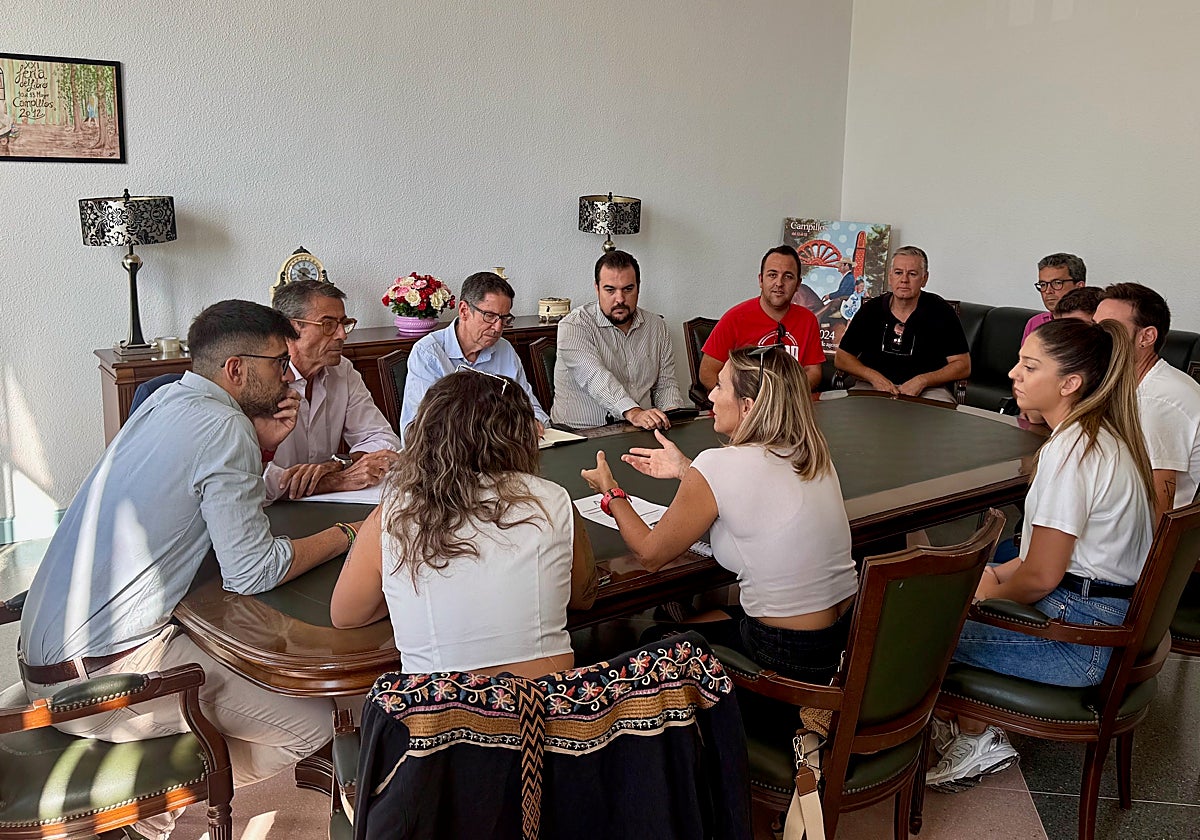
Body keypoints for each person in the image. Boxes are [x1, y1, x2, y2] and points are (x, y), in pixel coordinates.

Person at [18, 300, 354, 839]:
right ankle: (146, 814)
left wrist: (262, 446)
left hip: (43, 655)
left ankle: (148, 809)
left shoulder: (166, 398)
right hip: (99, 681)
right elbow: (252, 570)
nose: (288, 376)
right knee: (314, 722)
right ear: (236, 369)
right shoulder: (225, 426)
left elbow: (208, 506)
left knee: (230, 652)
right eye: (277, 363)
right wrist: (346, 535)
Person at [927, 319, 1155, 790]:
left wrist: (985, 596)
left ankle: (973, 737)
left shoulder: (1072, 452)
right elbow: (1052, 559)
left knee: (916, 629)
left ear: (1070, 384)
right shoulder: (1103, 436)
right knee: (958, 588)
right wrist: (993, 578)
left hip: (1079, 640)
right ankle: (962, 724)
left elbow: (1042, 577)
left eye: (1030, 367)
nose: (1014, 373)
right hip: (1098, 616)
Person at [580, 346, 858, 682]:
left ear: (748, 406)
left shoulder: (719, 463)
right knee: (707, 616)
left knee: (653, 640)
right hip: (844, 637)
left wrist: (611, 492)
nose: (710, 395)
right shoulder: (811, 454)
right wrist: (686, 469)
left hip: (785, 652)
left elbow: (650, 555)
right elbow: (752, 490)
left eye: (721, 386)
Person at [331, 370, 598, 677]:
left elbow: (346, 615)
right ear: (521, 436)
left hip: (437, 703)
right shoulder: (553, 500)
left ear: (425, 435)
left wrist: (401, 595)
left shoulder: (393, 514)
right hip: (545, 698)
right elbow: (584, 598)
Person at [267, 279, 400, 500]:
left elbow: (382, 438)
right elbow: (251, 478)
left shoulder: (342, 370)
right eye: (328, 324)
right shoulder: (259, 380)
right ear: (289, 328)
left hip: (327, 503)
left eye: (344, 323)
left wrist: (339, 464)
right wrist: (335, 481)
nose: (342, 335)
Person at [400, 271, 549, 443]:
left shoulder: (504, 349)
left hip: (502, 449)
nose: (498, 327)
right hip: (450, 454)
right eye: (490, 316)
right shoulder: (428, 353)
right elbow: (421, 429)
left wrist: (534, 421)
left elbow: (531, 407)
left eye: (504, 318)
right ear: (464, 310)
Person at [1095, 283, 1200, 517]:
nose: (1095, 338)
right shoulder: (1135, 383)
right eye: (1094, 326)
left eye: (1109, 329)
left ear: (1147, 336)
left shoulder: (1158, 400)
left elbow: (1159, 505)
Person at [551, 250, 686, 430]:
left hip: (640, 430)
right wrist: (634, 412)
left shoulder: (657, 326)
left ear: (638, 287)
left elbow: (665, 384)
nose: (620, 299)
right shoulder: (574, 326)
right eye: (610, 290)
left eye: (628, 289)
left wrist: (673, 415)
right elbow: (595, 377)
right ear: (597, 288)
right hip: (581, 434)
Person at [834, 245, 970, 401]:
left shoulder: (941, 311)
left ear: (924, 279)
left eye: (912, 274)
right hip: (873, 386)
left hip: (929, 389)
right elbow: (842, 358)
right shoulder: (871, 309)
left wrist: (923, 380)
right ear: (890, 277)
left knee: (940, 412)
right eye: (898, 273)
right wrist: (873, 376)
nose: (904, 280)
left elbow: (963, 365)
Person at [699, 245, 826, 392]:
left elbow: (813, 372)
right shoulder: (734, 318)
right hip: (747, 402)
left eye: (788, 276)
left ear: (798, 284)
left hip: (791, 400)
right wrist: (738, 399)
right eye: (772, 275)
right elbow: (707, 374)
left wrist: (788, 395)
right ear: (761, 280)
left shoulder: (808, 320)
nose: (779, 283)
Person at [1022, 253, 1086, 342]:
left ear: (1079, 287)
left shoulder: (1091, 324)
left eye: (1057, 283)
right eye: (1043, 284)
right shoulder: (1034, 323)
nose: (1048, 291)